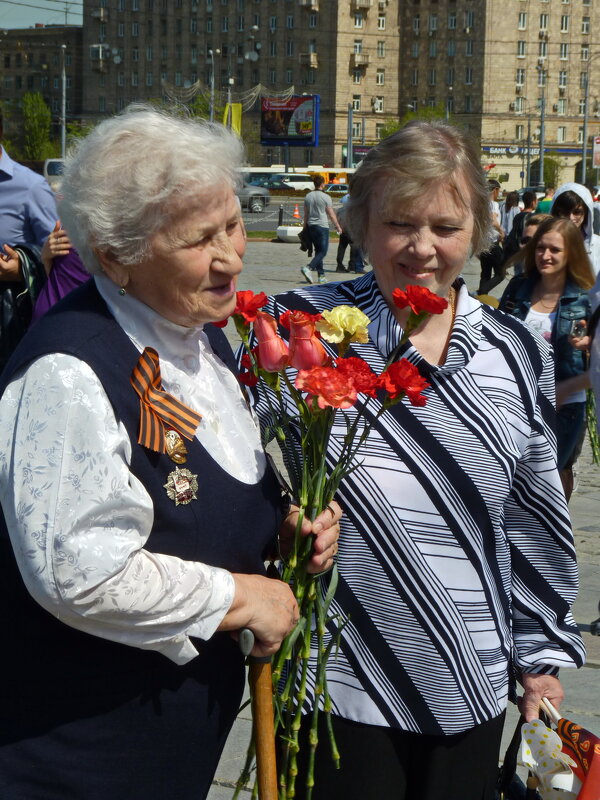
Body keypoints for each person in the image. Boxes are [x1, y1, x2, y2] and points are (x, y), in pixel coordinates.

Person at [0, 106, 340, 800]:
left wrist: (279, 531)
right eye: (198, 240)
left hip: (165, 751)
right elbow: (77, 572)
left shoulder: (198, 336)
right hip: (77, 761)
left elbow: (193, 495)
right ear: (115, 255)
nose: (231, 257)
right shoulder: (69, 372)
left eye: (233, 225)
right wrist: (240, 597)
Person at [248, 120, 585, 800]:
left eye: (446, 227)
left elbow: (533, 515)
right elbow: (229, 461)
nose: (423, 248)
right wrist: (280, 521)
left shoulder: (515, 349)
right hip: (335, 677)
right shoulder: (297, 325)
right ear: (359, 222)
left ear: (480, 231)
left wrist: (541, 657)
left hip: (469, 676)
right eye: (400, 223)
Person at [499, 217, 594, 501]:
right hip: (516, 402)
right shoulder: (519, 287)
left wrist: (567, 386)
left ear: (571, 253)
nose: (545, 255)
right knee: (511, 482)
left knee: (543, 485)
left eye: (555, 249)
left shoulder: (586, 298)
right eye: (540, 248)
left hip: (563, 408)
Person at [30, 220, 90, 323]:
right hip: (48, 320)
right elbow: (59, 281)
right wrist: (46, 258)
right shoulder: (75, 221)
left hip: (72, 323)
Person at [550, 182, 600, 275]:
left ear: (586, 214)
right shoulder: (544, 244)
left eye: (577, 212)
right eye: (565, 212)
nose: (570, 218)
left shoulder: (597, 246)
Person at [301, 174, 342, 285]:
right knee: (323, 251)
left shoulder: (308, 196)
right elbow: (331, 214)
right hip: (322, 226)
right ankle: (309, 268)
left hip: (311, 226)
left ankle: (321, 276)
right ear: (322, 184)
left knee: (318, 251)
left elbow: (306, 214)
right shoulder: (326, 197)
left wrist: (305, 227)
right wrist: (337, 226)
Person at [477, 178, 505, 295]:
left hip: (483, 243)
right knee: (501, 274)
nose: (499, 194)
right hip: (493, 243)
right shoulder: (493, 204)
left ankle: (481, 297)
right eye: (499, 191)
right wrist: (501, 231)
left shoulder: (481, 206)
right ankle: (482, 291)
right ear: (495, 190)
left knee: (485, 274)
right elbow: (493, 221)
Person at [335, 181, 366, 275]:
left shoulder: (342, 206)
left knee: (342, 247)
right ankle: (353, 265)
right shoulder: (355, 201)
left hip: (342, 228)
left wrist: (339, 227)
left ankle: (339, 265)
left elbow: (338, 217)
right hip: (350, 229)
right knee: (355, 247)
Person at [502, 189, 537, 264]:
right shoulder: (533, 217)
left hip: (517, 249)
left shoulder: (518, 216)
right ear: (533, 202)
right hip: (527, 251)